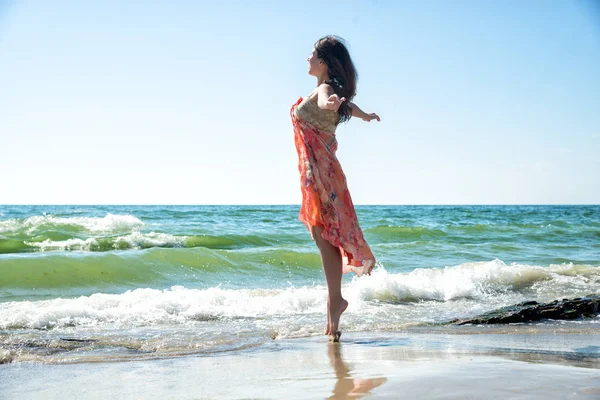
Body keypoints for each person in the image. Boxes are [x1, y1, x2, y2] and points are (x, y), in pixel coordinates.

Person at [290, 35, 380, 342]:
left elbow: (328, 99)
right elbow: (345, 106)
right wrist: (364, 115)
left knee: (323, 233)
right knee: (323, 233)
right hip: (323, 173)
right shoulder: (328, 92)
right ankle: (333, 308)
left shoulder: (325, 90)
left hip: (322, 175)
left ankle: (335, 302)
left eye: (312, 55)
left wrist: (330, 103)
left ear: (324, 62)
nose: (307, 60)